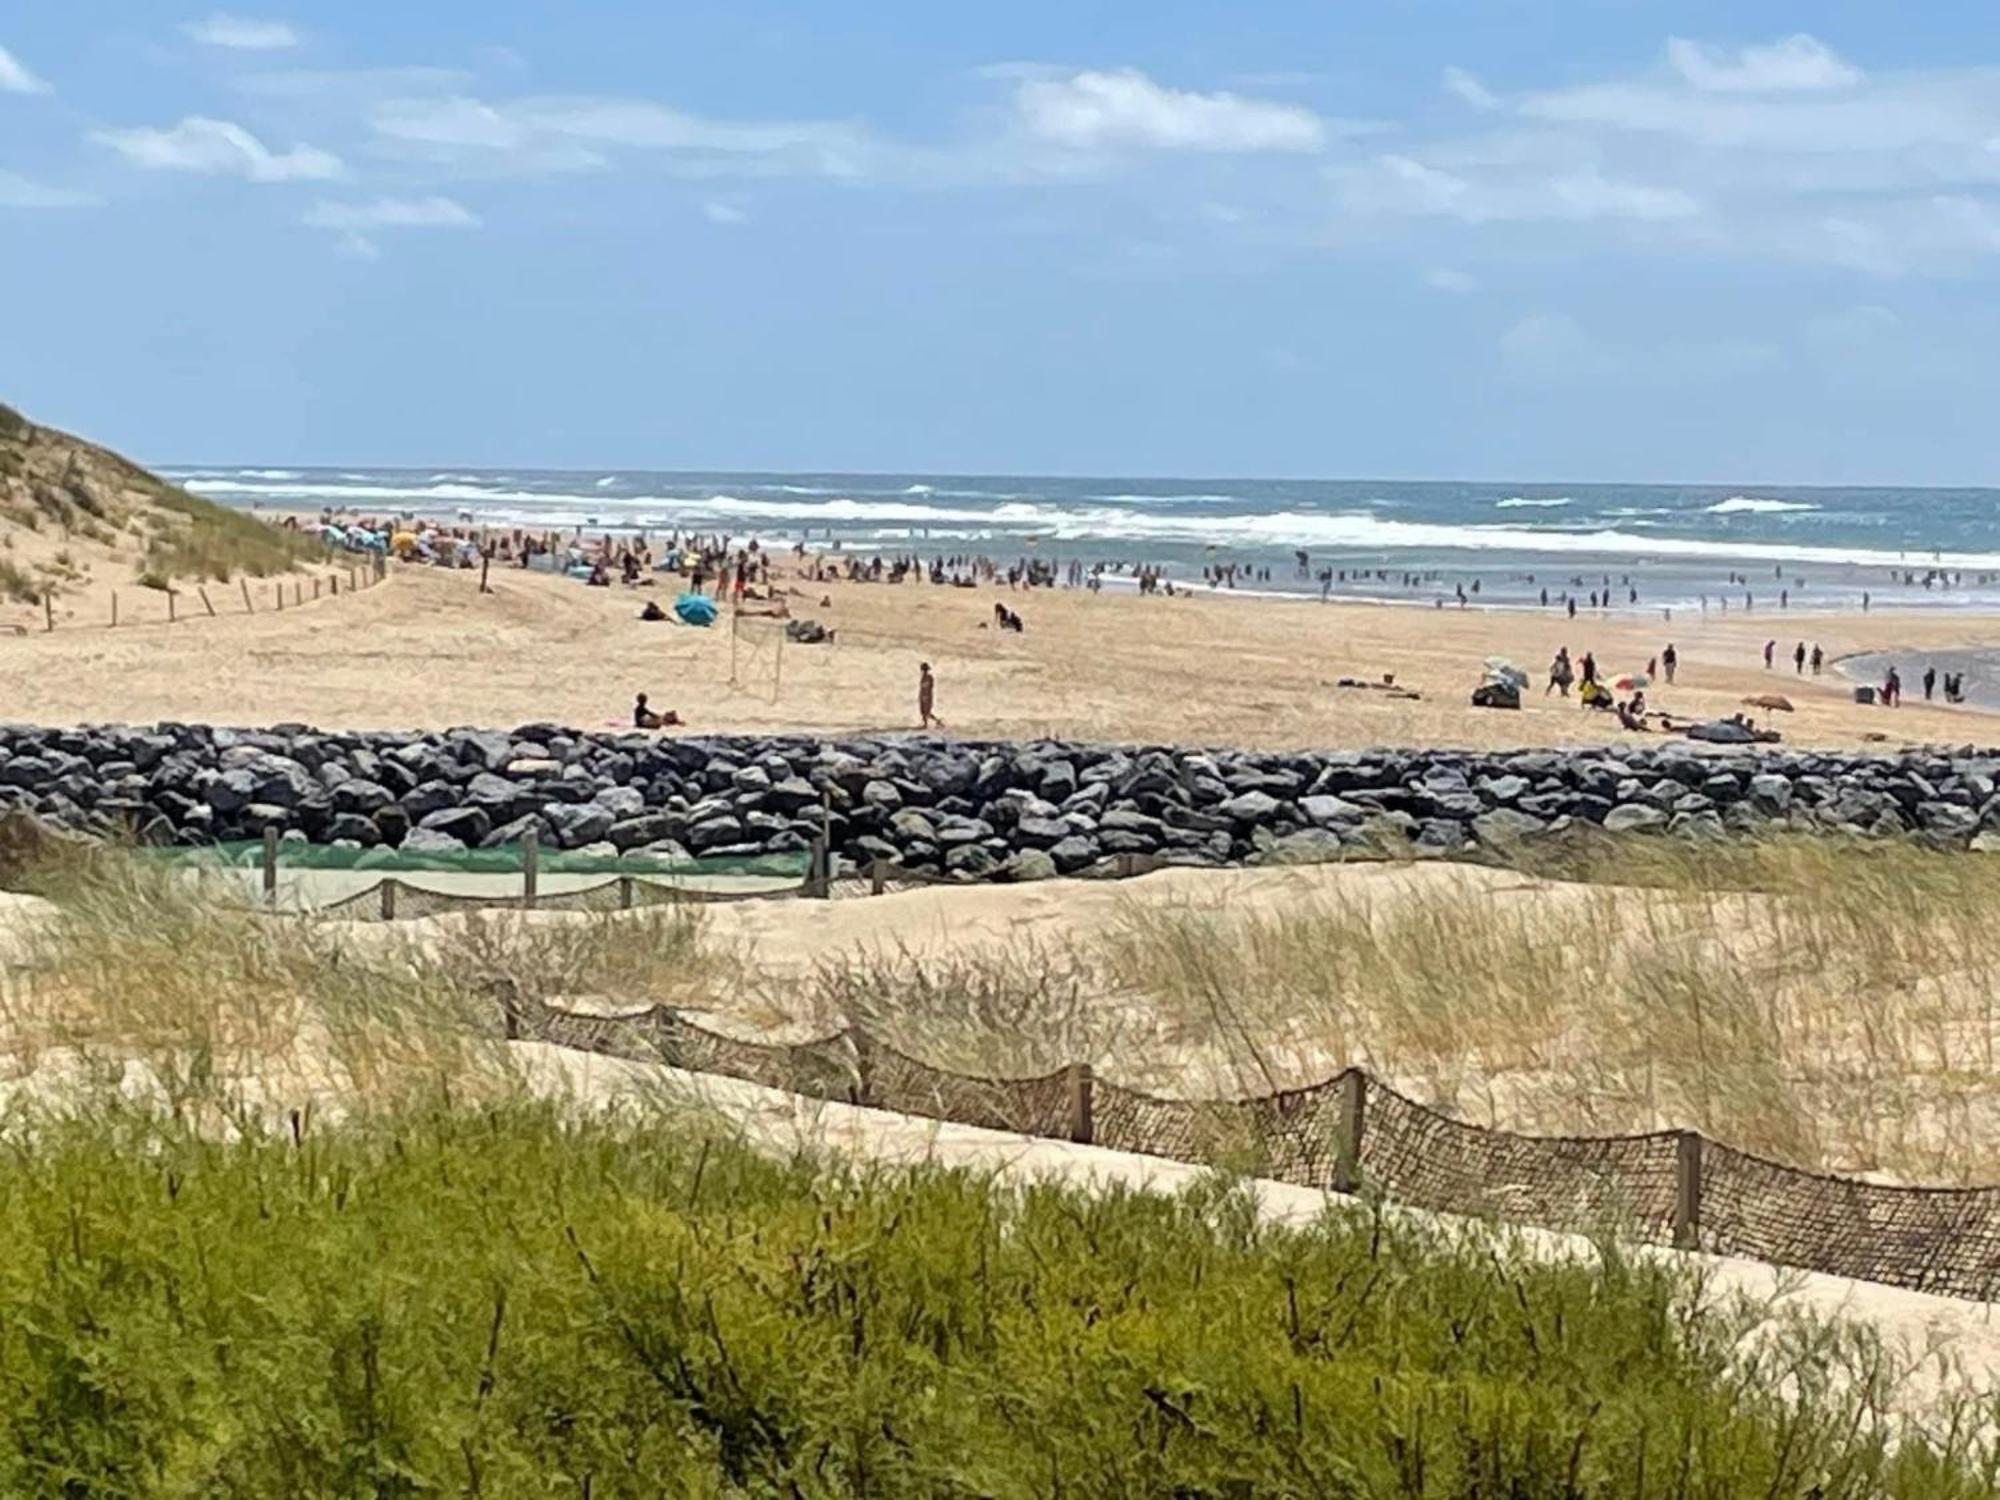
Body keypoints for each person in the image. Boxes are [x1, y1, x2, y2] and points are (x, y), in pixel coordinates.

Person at [918, 662, 941, 729]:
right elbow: (921, 688)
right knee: (923, 712)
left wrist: (927, 696)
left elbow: (930, 687)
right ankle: (934, 722)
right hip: (923, 696)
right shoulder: (922, 678)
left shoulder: (929, 677)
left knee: (927, 712)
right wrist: (920, 697)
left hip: (927, 697)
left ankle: (927, 724)